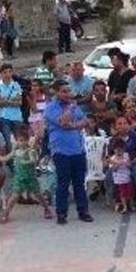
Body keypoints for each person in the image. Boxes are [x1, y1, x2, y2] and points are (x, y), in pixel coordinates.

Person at [44, 80, 93, 224]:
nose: (67, 94)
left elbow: (85, 122)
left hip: (77, 149)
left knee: (79, 183)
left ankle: (83, 211)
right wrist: (71, 112)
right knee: (63, 183)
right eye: (64, 91)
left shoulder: (74, 107)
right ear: (56, 92)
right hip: (61, 150)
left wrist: (73, 125)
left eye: (68, 91)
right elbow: (63, 122)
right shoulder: (50, 108)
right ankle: (61, 213)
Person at [0, 126, 51, 223]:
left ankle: (46, 209)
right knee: (14, 196)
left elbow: (33, 160)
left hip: (30, 177)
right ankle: (6, 213)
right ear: (16, 141)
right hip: (19, 178)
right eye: (20, 141)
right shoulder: (15, 152)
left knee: (38, 195)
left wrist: (25, 161)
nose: (22, 143)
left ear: (28, 140)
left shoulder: (30, 151)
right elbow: (5, 158)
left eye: (24, 140)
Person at [107, 140, 134, 213]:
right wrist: (118, 163)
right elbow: (114, 169)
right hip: (119, 180)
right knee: (122, 194)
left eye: (121, 149)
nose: (119, 151)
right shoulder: (112, 159)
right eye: (117, 149)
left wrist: (126, 163)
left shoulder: (126, 155)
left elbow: (130, 166)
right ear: (114, 150)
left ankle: (131, 206)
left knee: (130, 193)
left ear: (123, 149)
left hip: (127, 178)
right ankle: (124, 207)